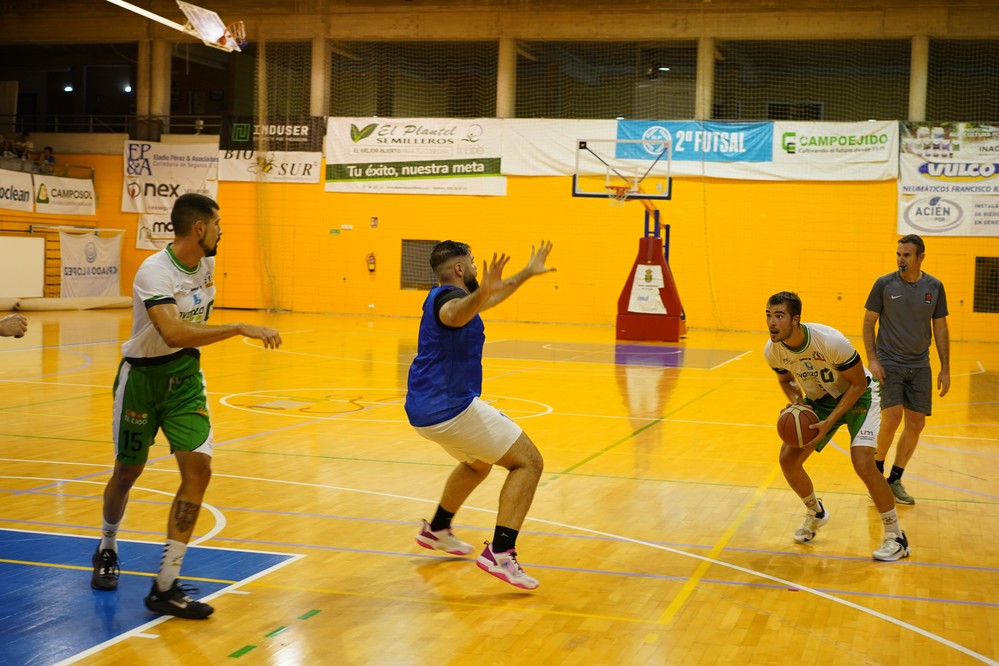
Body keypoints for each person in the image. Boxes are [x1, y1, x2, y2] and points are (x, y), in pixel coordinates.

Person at [89, 193, 282, 619]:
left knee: (199, 470)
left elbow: (184, 342)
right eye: (218, 224)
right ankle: (107, 544)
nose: (220, 232)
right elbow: (174, 332)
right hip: (141, 379)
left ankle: (165, 584)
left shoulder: (206, 265)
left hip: (185, 381)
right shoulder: (154, 271)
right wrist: (237, 326)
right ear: (199, 229)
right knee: (127, 472)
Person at [405, 240, 555, 589]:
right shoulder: (447, 301)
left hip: (426, 409)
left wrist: (526, 273)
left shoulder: (448, 297)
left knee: (477, 464)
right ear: (460, 269)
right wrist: (483, 289)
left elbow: (485, 300)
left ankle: (438, 529)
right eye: (471, 262)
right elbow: (455, 314)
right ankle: (501, 553)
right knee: (528, 463)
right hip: (450, 408)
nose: (475, 267)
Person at [764, 291, 909, 562]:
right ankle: (815, 512)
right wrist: (800, 405)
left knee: (863, 462)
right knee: (788, 460)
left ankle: (896, 536)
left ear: (795, 320)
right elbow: (786, 381)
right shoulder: (772, 350)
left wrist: (831, 421)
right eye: (769, 316)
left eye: (779, 316)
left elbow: (857, 384)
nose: (772, 322)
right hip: (820, 400)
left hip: (860, 395)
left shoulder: (829, 340)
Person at [863, 234, 949, 505]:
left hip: (920, 364)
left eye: (907, 255)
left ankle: (895, 479)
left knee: (917, 423)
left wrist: (945, 368)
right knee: (892, 418)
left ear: (921, 257)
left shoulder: (934, 287)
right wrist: (873, 360)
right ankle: (875, 472)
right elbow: (868, 323)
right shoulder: (883, 284)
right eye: (899, 254)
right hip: (889, 362)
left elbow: (941, 327)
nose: (901, 259)